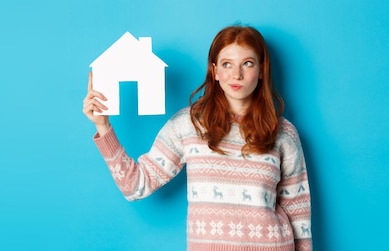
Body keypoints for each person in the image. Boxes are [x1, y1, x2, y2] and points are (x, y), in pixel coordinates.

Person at [82, 25, 312, 251]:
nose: (237, 74)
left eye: (247, 63)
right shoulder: (188, 124)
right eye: (227, 64)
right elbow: (135, 186)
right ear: (215, 71)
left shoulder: (282, 132)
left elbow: (298, 213)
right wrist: (103, 127)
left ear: (261, 70)